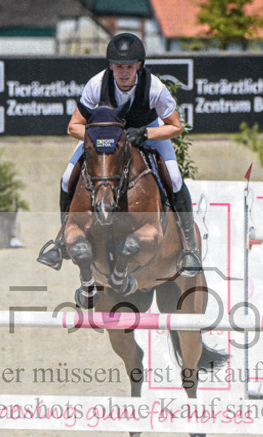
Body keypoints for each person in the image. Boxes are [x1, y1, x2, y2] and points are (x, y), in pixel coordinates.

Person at [36, 33, 202, 275]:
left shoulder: (154, 88)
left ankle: (189, 248)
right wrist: (100, 140)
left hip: (147, 135)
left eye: (129, 67)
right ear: (111, 66)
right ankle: (62, 240)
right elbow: (74, 126)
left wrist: (145, 133)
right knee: (66, 177)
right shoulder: (97, 84)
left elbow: (175, 127)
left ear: (139, 66)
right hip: (103, 141)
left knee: (175, 178)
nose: (124, 72)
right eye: (119, 66)